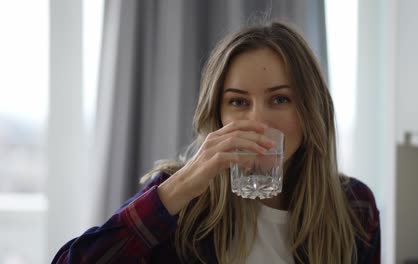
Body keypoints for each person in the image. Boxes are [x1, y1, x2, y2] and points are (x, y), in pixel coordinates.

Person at [52, 21, 380, 264]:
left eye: (280, 99)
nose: (257, 121)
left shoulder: (355, 207)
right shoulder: (180, 202)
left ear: (311, 110)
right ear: (218, 115)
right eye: (238, 102)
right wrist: (179, 188)